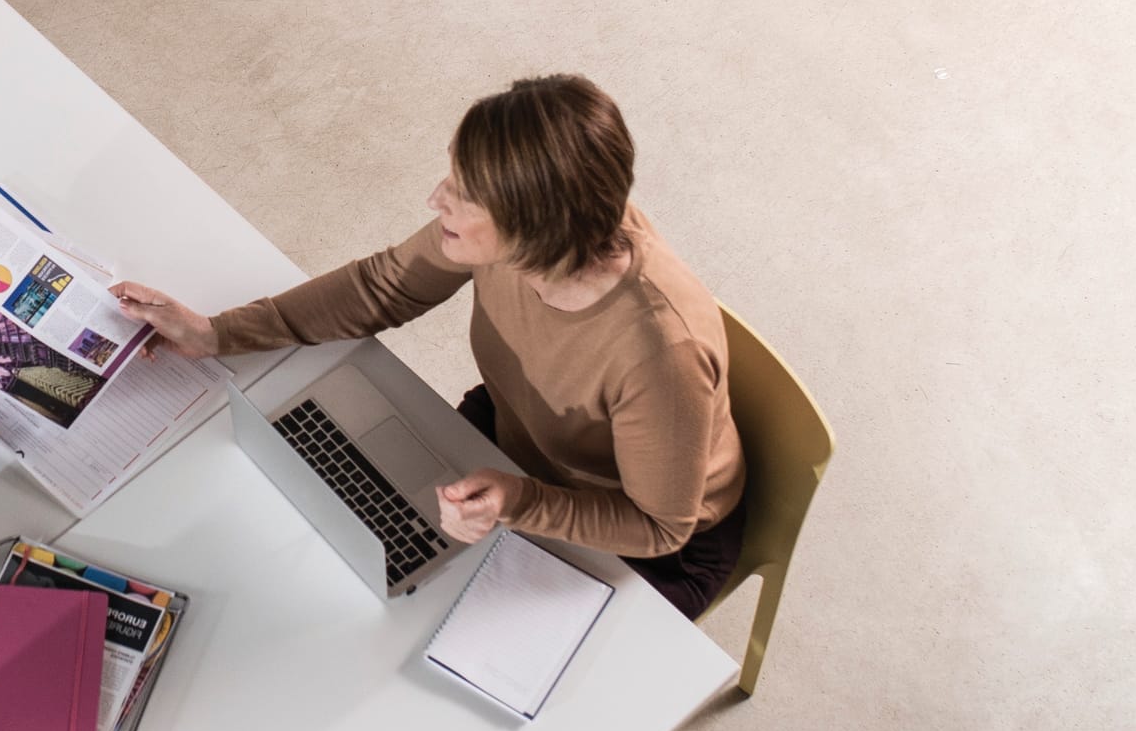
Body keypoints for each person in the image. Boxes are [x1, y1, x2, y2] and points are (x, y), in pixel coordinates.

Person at [111, 75, 746, 618]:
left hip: (649, 542)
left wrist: (519, 501)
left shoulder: (660, 355)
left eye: (464, 195)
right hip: (517, 440)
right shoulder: (542, 230)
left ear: (534, 228)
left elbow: (661, 525)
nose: (436, 199)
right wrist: (218, 332)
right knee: (337, 544)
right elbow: (380, 287)